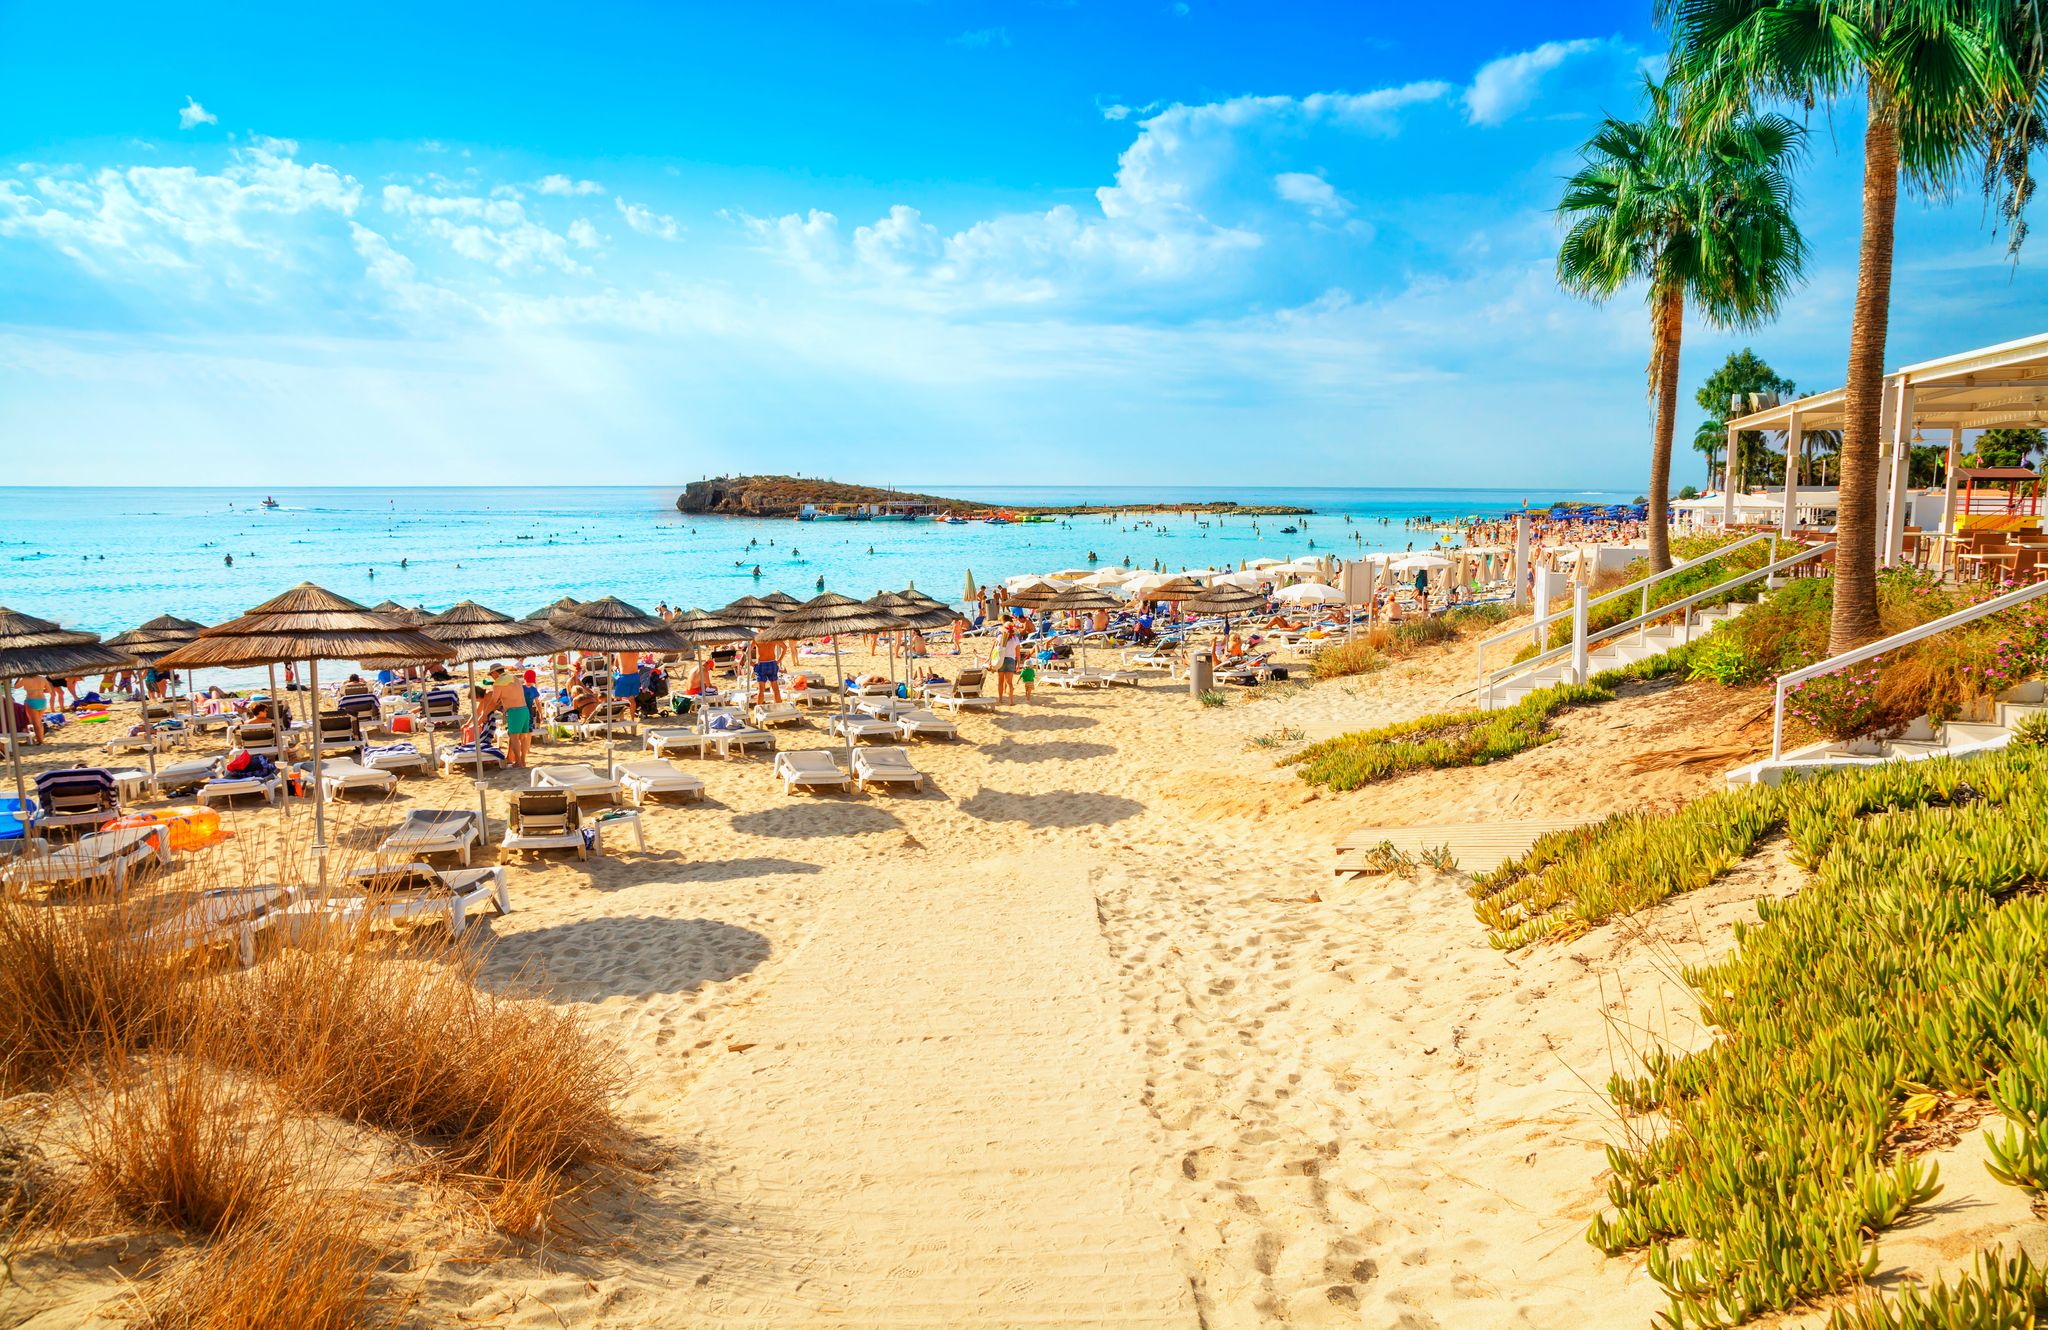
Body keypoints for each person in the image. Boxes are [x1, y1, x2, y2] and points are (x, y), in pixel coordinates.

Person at [754, 636, 785, 705]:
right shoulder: (773, 637)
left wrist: (751, 663)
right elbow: (785, 648)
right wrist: (779, 661)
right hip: (772, 663)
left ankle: (758, 710)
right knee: (776, 689)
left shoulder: (757, 638)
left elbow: (747, 652)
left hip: (761, 663)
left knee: (761, 690)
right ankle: (779, 708)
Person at [18, 675, 48, 742]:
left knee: (35, 723)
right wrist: (39, 690)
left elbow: (16, 686)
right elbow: (49, 690)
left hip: (31, 700)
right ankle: (41, 738)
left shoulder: (25, 679)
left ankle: (39, 740)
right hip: (42, 701)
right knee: (39, 721)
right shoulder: (43, 678)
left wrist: (19, 677)